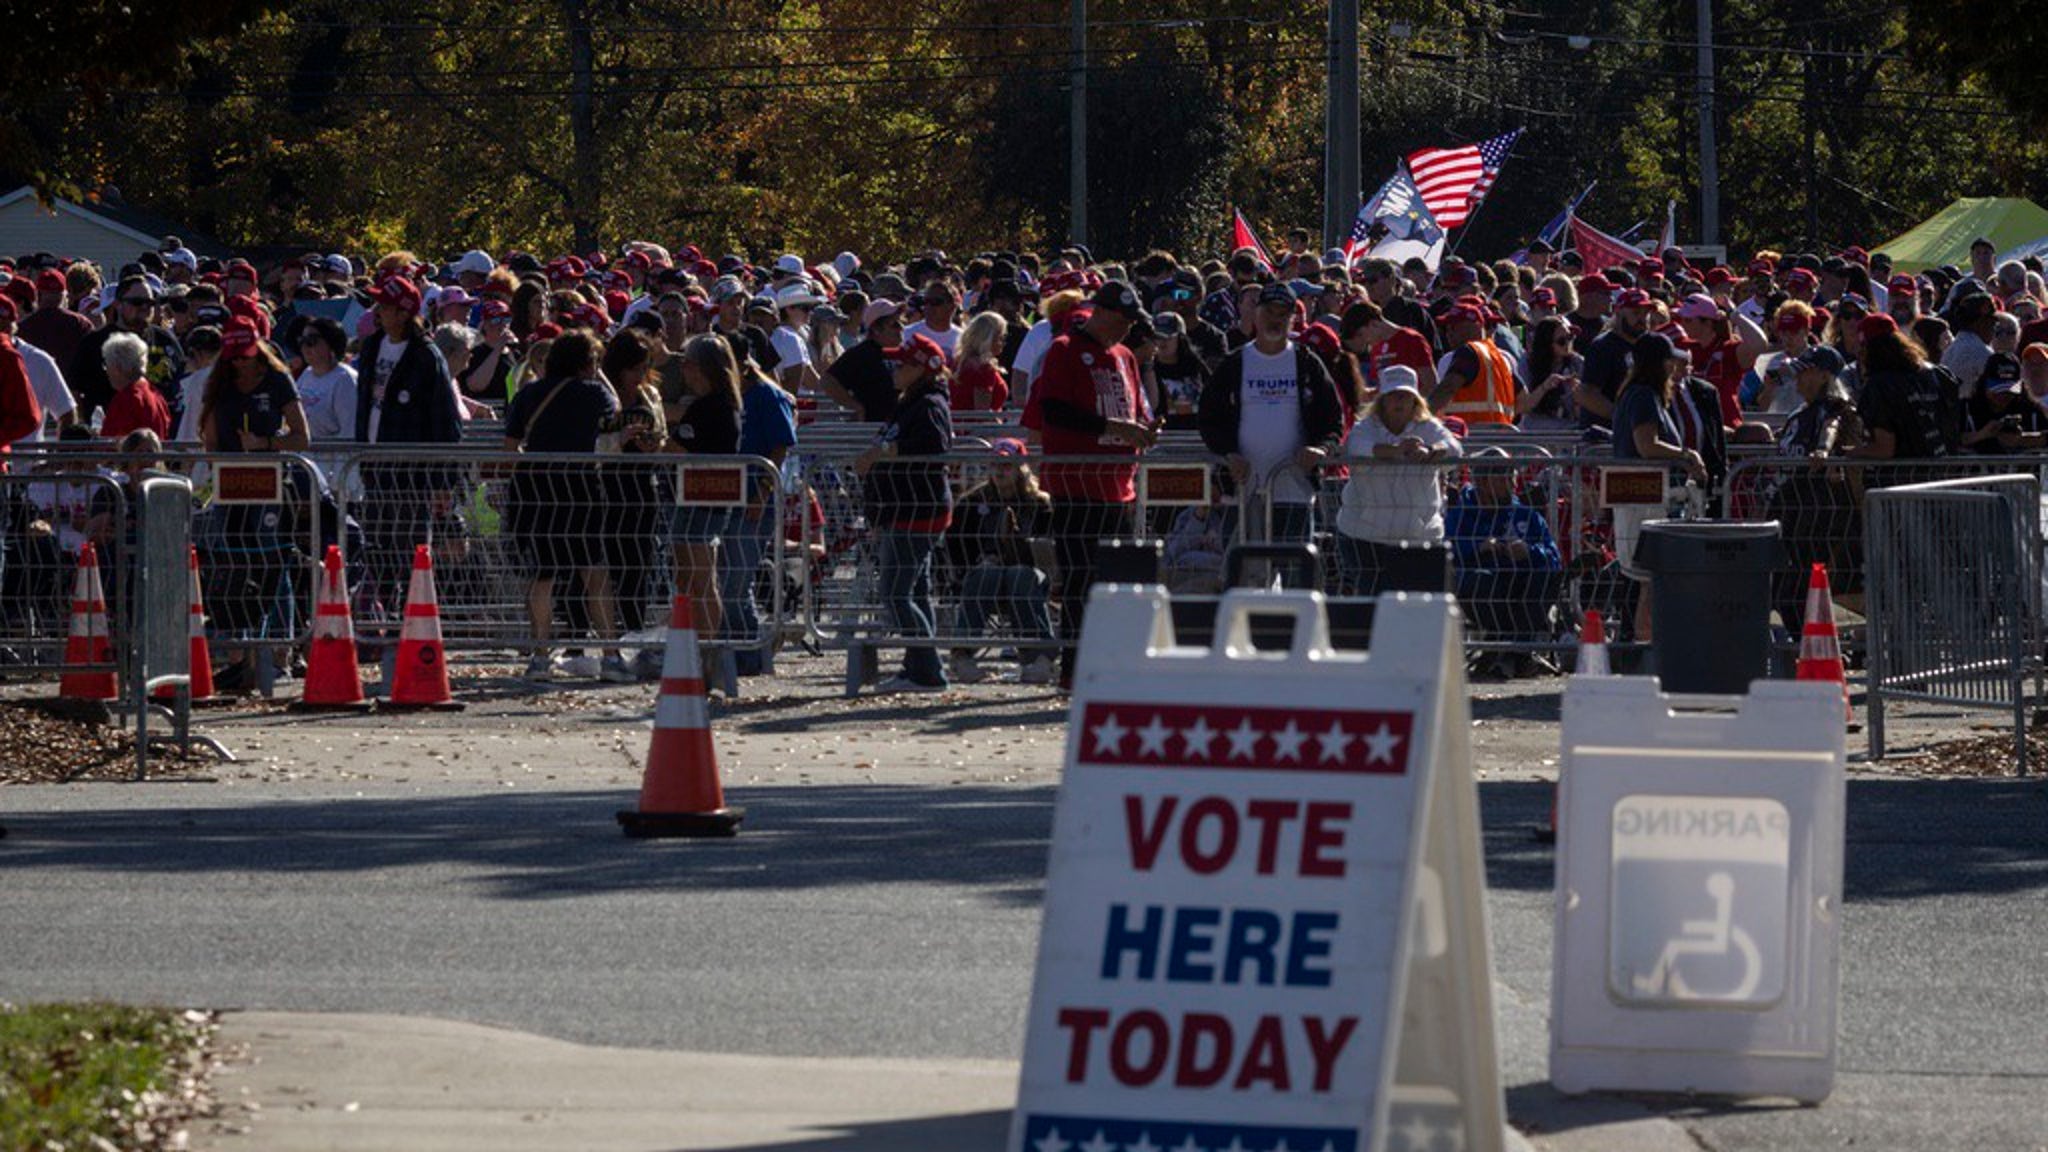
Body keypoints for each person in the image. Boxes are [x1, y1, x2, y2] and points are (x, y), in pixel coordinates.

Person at [1022, 280, 1157, 687]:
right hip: (1077, 486)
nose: (1126, 329)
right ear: (1101, 313)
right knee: (1080, 579)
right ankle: (1074, 667)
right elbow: (1053, 410)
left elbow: (1137, 409)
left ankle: (1112, 660)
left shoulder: (1125, 356)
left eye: (1130, 322)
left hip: (1119, 487)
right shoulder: (1064, 350)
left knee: (1116, 581)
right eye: (1121, 320)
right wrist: (1112, 427)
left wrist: (1143, 431)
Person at [504, 330, 630, 683]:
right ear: (587, 363)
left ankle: (540, 657)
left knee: (543, 574)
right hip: (582, 488)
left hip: (537, 490)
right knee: (594, 572)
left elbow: (510, 446)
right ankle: (611, 656)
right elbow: (617, 410)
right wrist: (599, 375)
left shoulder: (529, 392)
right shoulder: (593, 393)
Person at [199, 317, 312, 690]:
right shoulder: (220, 382)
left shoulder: (278, 379)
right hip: (231, 484)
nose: (240, 364)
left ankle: (280, 650)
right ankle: (241, 652)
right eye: (233, 358)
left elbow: (302, 437)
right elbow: (209, 437)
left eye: (245, 357)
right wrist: (218, 461)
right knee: (234, 562)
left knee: (273, 560)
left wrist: (265, 444)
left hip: (270, 482)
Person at [352, 274, 466, 634]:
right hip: (375, 466)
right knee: (377, 548)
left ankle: (411, 625)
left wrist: (444, 480)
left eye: (385, 305)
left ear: (403, 312)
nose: (378, 311)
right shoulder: (372, 347)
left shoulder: (425, 356)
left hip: (411, 471)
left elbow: (445, 420)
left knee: (410, 550)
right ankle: (379, 623)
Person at [1198, 282, 1345, 556]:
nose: (1275, 320)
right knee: (1238, 571)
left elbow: (1333, 418)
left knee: (1294, 571)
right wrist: (1228, 453)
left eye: (1282, 314)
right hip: (1240, 490)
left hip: (1294, 489)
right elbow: (1208, 417)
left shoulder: (1307, 363)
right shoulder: (1234, 363)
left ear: (1293, 319)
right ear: (1256, 314)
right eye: (1269, 312)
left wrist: (1321, 448)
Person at [858, 333, 955, 692]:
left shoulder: (929, 403)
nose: (894, 369)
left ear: (921, 368)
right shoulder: (912, 401)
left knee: (895, 593)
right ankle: (918, 669)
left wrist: (884, 453)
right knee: (914, 592)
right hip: (907, 508)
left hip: (916, 510)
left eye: (902, 363)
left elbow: (934, 446)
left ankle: (928, 670)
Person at [1609, 332, 1710, 642]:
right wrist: (1686, 455)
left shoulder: (1637, 394)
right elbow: (1646, 445)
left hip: (1641, 492)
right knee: (1648, 578)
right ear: (1660, 363)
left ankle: (1641, 643)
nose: (1673, 367)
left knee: (1644, 579)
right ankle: (1645, 648)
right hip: (1644, 494)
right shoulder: (1643, 395)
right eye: (1670, 360)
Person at [1333, 366, 1461, 595]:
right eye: (1393, 395)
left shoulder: (1429, 427)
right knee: (1371, 603)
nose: (1399, 401)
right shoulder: (1365, 428)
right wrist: (1398, 450)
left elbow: (1454, 449)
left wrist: (1433, 450)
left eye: (1405, 395)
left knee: (1416, 605)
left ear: (1415, 400)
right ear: (1382, 400)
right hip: (1364, 535)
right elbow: (1356, 448)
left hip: (1419, 536)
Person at [1768, 344, 1866, 638]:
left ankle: (1814, 644)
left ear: (1824, 376)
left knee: (1799, 585)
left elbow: (1831, 427)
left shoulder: (1836, 408)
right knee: (1783, 584)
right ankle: (1807, 642)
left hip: (1817, 509)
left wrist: (1823, 449)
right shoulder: (1799, 413)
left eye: (1805, 372)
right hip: (1789, 505)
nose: (1798, 380)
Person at [945, 438, 1055, 684]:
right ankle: (962, 655)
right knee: (987, 572)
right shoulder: (971, 502)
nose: (999, 471)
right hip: (984, 574)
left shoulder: (1040, 504)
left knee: (1020, 575)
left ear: (1020, 469)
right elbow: (956, 547)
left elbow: (1047, 549)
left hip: (1029, 574)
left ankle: (1039, 657)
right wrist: (974, 564)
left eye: (1006, 465)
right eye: (994, 464)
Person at [1445, 447, 1562, 674]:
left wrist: (1529, 551)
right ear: (1482, 482)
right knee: (1479, 582)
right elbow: (1447, 550)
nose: (1511, 484)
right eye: (1504, 479)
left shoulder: (1526, 516)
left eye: (1512, 478)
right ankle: (1515, 651)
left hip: (1520, 584)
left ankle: (1508, 652)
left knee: (1547, 575)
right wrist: (1478, 548)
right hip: (1484, 586)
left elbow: (1554, 557)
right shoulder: (1460, 515)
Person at [596, 330, 670, 678]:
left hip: (643, 485)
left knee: (639, 560)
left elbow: (662, 433)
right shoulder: (602, 395)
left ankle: (635, 629)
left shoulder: (650, 394)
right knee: (609, 561)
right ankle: (607, 636)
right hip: (608, 485)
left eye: (644, 368)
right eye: (634, 369)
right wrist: (619, 438)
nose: (640, 375)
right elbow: (594, 438)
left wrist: (652, 444)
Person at [724, 344, 799, 678]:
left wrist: (762, 492)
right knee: (730, 582)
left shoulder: (768, 395)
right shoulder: (730, 395)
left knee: (738, 583)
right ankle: (739, 656)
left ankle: (752, 656)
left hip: (756, 499)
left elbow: (780, 446)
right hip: (728, 497)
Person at [667, 334, 744, 650]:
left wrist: (655, 443)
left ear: (699, 368)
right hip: (706, 495)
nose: (683, 371)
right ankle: (689, 645)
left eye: (686, 364)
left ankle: (707, 648)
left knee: (701, 577)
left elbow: (676, 450)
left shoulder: (709, 407)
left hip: (701, 495)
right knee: (690, 577)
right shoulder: (725, 403)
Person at [70, 276, 184, 428]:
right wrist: (81, 425)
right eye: (137, 302)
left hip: (161, 430)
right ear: (118, 304)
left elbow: (182, 380)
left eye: (150, 302)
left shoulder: (165, 339)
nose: (145, 307)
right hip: (109, 431)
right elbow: (75, 390)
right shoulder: (94, 343)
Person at [1849, 314, 1955, 464]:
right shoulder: (1937, 373)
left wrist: (1852, 453)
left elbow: (1884, 449)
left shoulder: (1879, 386)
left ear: (1870, 348)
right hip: (1942, 469)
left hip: (1901, 474)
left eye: (1862, 347)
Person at [1430, 300, 1518, 428]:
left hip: (1471, 434)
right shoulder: (1500, 357)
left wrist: (1419, 417)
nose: (1448, 334)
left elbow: (1447, 388)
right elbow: (1523, 401)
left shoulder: (1468, 352)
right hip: (1500, 434)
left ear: (1473, 327)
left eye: (1453, 327)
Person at [819, 299, 905, 421]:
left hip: (897, 425)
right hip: (873, 428)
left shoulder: (900, 353)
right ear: (876, 329)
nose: (901, 328)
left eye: (901, 322)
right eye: (895, 324)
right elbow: (828, 381)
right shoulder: (861, 354)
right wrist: (854, 406)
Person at [1963, 353, 2048, 454]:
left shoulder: (2032, 411)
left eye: (2009, 392)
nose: (2003, 396)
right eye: (1997, 390)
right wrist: (1981, 435)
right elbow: (1950, 440)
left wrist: (2023, 439)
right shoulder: (1966, 410)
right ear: (1984, 383)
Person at [99, 332, 173, 441]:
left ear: (117, 368)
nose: (106, 371)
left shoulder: (125, 400)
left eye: (107, 365)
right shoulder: (155, 395)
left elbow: (108, 444)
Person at [17, 267, 94, 372]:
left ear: (38, 294)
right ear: (64, 295)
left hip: (34, 382)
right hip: (73, 382)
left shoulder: (23, 327)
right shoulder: (81, 324)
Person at [1514, 315, 1580, 430]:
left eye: (1570, 337)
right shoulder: (1528, 363)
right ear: (1547, 343)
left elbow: (1581, 414)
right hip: (1536, 430)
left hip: (1568, 429)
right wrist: (1545, 387)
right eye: (1561, 341)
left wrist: (1578, 395)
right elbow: (1523, 407)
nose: (1568, 344)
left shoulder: (1577, 363)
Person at [950, 312, 1010, 413]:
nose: (1003, 343)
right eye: (1001, 338)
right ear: (989, 339)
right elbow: (982, 414)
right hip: (974, 423)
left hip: (957, 422)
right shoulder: (983, 369)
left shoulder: (959, 361)